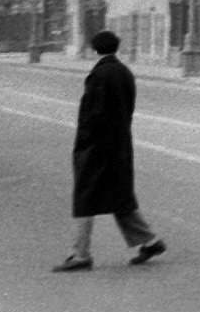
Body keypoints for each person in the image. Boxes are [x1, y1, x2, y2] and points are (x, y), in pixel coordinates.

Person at [52, 30, 167, 272]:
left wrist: (83, 144)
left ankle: (80, 254)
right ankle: (150, 242)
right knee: (119, 196)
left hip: (97, 147)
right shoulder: (125, 72)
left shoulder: (99, 75)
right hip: (120, 143)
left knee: (85, 197)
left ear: (95, 49)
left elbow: (92, 115)